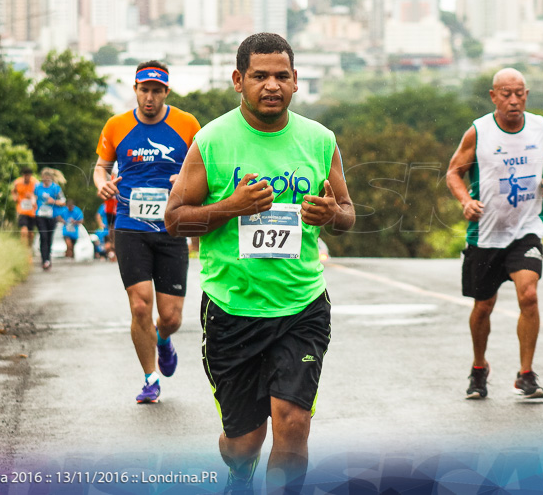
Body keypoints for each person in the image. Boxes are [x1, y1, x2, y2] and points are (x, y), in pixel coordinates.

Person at [165, 33, 355, 494]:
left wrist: (332, 214)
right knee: (243, 443)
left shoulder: (318, 139)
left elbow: (347, 212)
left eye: (281, 76)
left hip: (301, 306)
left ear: (295, 83)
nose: (271, 85)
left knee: (292, 425)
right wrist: (232, 205)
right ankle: (238, 473)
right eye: (260, 76)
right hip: (232, 310)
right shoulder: (211, 141)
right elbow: (174, 220)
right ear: (238, 80)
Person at [445, 68, 543, 401]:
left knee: (529, 296)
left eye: (519, 93)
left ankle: (526, 374)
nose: (513, 100)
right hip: (486, 233)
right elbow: (453, 172)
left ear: (526, 95)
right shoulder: (479, 132)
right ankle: (479, 368)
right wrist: (466, 201)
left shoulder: (541, 126)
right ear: (493, 96)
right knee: (484, 305)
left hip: (526, 228)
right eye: (506, 94)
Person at [93, 61, 201, 404]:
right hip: (130, 226)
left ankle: (163, 338)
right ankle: (150, 378)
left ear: (166, 92)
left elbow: (201, 170)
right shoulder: (117, 125)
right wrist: (103, 185)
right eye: (144, 90)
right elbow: (101, 167)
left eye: (157, 90)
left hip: (171, 228)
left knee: (170, 317)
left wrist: (183, 181)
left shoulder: (187, 125)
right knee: (140, 306)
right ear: (135, 90)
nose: (150, 97)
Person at [33, 168, 65, 271]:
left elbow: (63, 202)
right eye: (44, 179)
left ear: (50, 178)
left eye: (47, 179)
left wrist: (53, 201)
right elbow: (34, 199)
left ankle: (48, 259)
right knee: (43, 236)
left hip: (52, 216)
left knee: (49, 238)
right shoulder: (37, 187)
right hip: (40, 215)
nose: (45, 181)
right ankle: (44, 260)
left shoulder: (56, 188)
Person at [11, 167, 38, 251]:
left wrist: (32, 197)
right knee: (24, 231)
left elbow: (39, 195)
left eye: (29, 176)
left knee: (30, 234)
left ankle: (29, 249)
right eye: (25, 175)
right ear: (23, 175)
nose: (27, 177)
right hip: (22, 210)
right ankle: (23, 250)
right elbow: (13, 191)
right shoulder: (17, 182)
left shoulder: (35, 183)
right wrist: (15, 198)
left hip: (32, 211)